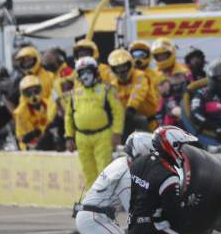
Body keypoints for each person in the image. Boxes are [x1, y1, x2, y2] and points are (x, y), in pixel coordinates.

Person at [101, 126, 213, 234]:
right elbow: (174, 215)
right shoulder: (169, 176)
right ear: (171, 145)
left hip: (132, 229)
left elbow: (142, 196)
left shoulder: (138, 163)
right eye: (181, 147)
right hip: (151, 229)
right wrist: (188, 206)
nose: (182, 152)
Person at [59, 132, 154, 234]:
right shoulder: (127, 174)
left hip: (94, 216)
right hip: (94, 218)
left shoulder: (121, 162)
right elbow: (133, 212)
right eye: (150, 156)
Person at [65, 57, 125, 188]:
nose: (85, 75)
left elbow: (118, 112)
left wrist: (117, 133)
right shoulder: (75, 93)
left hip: (103, 135)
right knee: (88, 171)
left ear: (95, 72)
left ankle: (106, 200)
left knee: (104, 169)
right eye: (81, 72)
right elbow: (69, 116)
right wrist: (69, 136)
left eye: (88, 71)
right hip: (81, 137)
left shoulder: (107, 89)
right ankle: (92, 200)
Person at [108, 49, 159, 138]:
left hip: (148, 123)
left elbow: (138, 92)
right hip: (126, 123)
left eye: (124, 67)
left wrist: (131, 108)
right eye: (117, 68)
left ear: (130, 64)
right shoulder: (113, 84)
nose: (121, 72)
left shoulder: (140, 76)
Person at [13, 75, 58, 151]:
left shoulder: (48, 103)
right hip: (29, 145)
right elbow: (31, 135)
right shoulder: (20, 112)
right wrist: (45, 129)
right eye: (29, 93)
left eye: (36, 91)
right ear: (23, 94)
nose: (33, 95)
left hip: (46, 138)